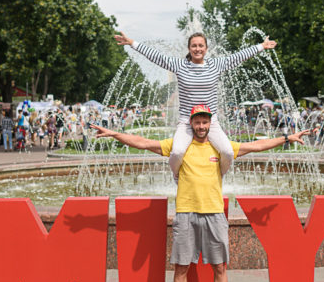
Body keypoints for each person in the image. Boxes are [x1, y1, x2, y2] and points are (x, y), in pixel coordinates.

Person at [92, 104, 314, 282]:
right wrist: (115, 134)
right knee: (181, 267)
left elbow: (256, 146)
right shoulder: (180, 147)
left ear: (210, 124)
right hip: (186, 213)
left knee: (220, 266)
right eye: (197, 122)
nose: (201, 126)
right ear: (191, 124)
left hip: (214, 214)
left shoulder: (221, 148)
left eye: (205, 122)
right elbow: (144, 142)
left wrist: (287, 138)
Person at [114, 31, 276, 179]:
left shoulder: (216, 65)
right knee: (177, 152)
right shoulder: (180, 65)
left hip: (210, 121)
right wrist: (132, 43)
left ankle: (218, 176)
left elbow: (238, 57)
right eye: (194, 46)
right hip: (186, 121)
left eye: (201, 46)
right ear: (189, 48)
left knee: (227, 152)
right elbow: (157, 56)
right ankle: (178, 177)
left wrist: (261, 46)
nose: (197, 49)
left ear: (206, 48)